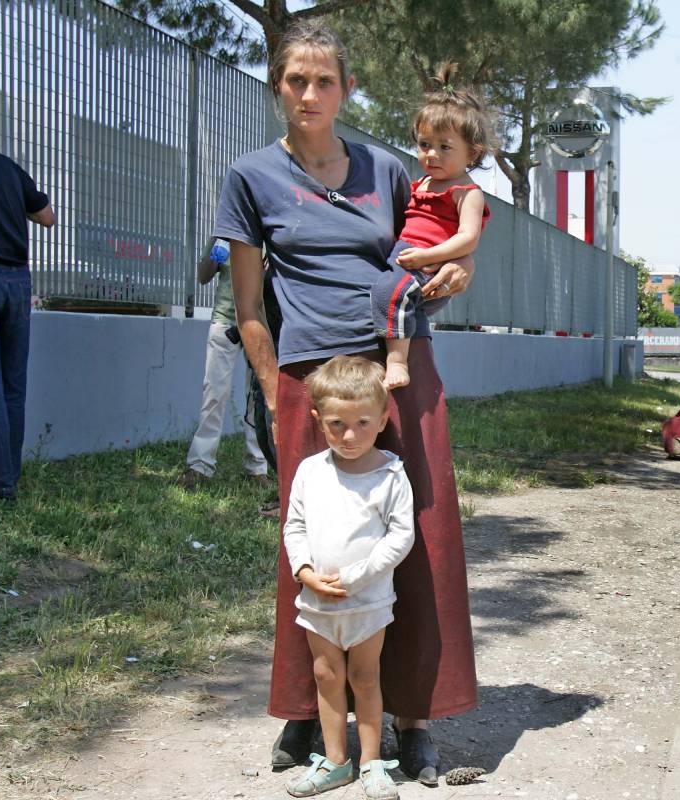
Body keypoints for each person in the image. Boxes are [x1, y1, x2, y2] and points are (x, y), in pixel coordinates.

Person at [213, 21, 477, 787]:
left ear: (345, 89)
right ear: (278, 86)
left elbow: (429, 253)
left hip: (398, 369)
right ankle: (307, 708)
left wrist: (457, 277)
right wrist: (272, 388)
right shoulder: (250, 177)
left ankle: (413, 718)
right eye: (296, 79)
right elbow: (250, 305)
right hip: (310, 379)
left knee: (420, 530)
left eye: (324, 80)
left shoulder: (389, 171)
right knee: (315, 536)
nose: (309, 93)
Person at [283, 356, 413, 799]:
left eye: (362, 422)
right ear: (319, 420)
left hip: (368, 602)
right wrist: (304, 572)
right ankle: (336, 762)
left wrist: (356, 577)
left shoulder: (390, 474)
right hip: (318, 602)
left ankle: (373, 763)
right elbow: (294, 526)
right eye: (337, 424)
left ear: (382, 419)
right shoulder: (310, 472)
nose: (350, 435)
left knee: (365, 678)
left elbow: (401, 537)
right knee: (325, 675)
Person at [371, 63, 491, 390]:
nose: (432, 154)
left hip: (429, 265)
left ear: (473, 153)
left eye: (444, 146)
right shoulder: (420, 183)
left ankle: (396, 362)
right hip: (408, 258)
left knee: (389, 292)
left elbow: (468, 239)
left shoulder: (467, 192)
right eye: (425, 145)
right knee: (380, 287)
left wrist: (428, 257)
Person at [0, 139, 55, 502]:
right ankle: (5, 474)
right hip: (18, 280)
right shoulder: (6, 167)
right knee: (12, 385)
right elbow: (47, 217)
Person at [180, 238, 271, 488]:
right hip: (224, 321)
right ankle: (199, 464)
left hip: (260, 324)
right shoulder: (224, 236)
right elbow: (202, 277)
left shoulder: (268, 237)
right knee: (214, 394)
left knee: (257, 398)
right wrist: (217, 252)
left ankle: (257, 468)